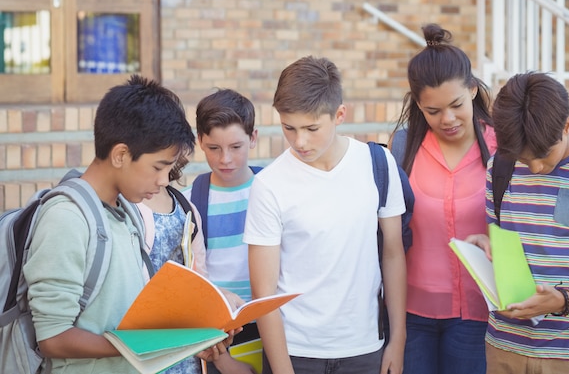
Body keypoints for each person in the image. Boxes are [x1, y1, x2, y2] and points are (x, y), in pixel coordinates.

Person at [22, 75, 234, 374]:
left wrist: (193, 335)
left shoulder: (125, 212)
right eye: (158, 167)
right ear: (121, 154)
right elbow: (53, 337)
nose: (164, 180)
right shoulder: (66, 218)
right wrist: (142, 346)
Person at [243, 55, 407, 374]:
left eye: (312, 128)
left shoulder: (378, 164)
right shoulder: (268, 185)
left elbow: (393, 254)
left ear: (339, 114)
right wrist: (282, 369)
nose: (299, 141)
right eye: (288, 128)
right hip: (295, 353)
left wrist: (397, 340)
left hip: (365, 348)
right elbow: (263, 291)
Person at [476, 71, 569, 373]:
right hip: (504, 346)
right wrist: (485, 247)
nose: (535, 167)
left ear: (567, 125)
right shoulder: (500, 166)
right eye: (523, 158)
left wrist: (564, 300)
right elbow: (506, 247)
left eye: (543, 155)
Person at [390, 23, 497, 374]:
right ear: (418, 105)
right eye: (432, 111)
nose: (447, 119)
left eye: (456, 105)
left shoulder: (500, 147)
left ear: (472, 89)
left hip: (479, 315)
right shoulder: (404, 147)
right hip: (413, 316)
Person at [184, 88, 260, 374]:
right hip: (221, 330)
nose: (225, 158)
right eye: (214, 148)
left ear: (253, 138)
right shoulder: (190, 199)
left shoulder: (273, 190)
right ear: (200, 141)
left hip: (272, 322)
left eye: (236, 147)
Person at [138, 154, 208, 374]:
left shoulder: (186, 208)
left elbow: (200, 278)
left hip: (185, 352)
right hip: (141, 344)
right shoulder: (125, 205)